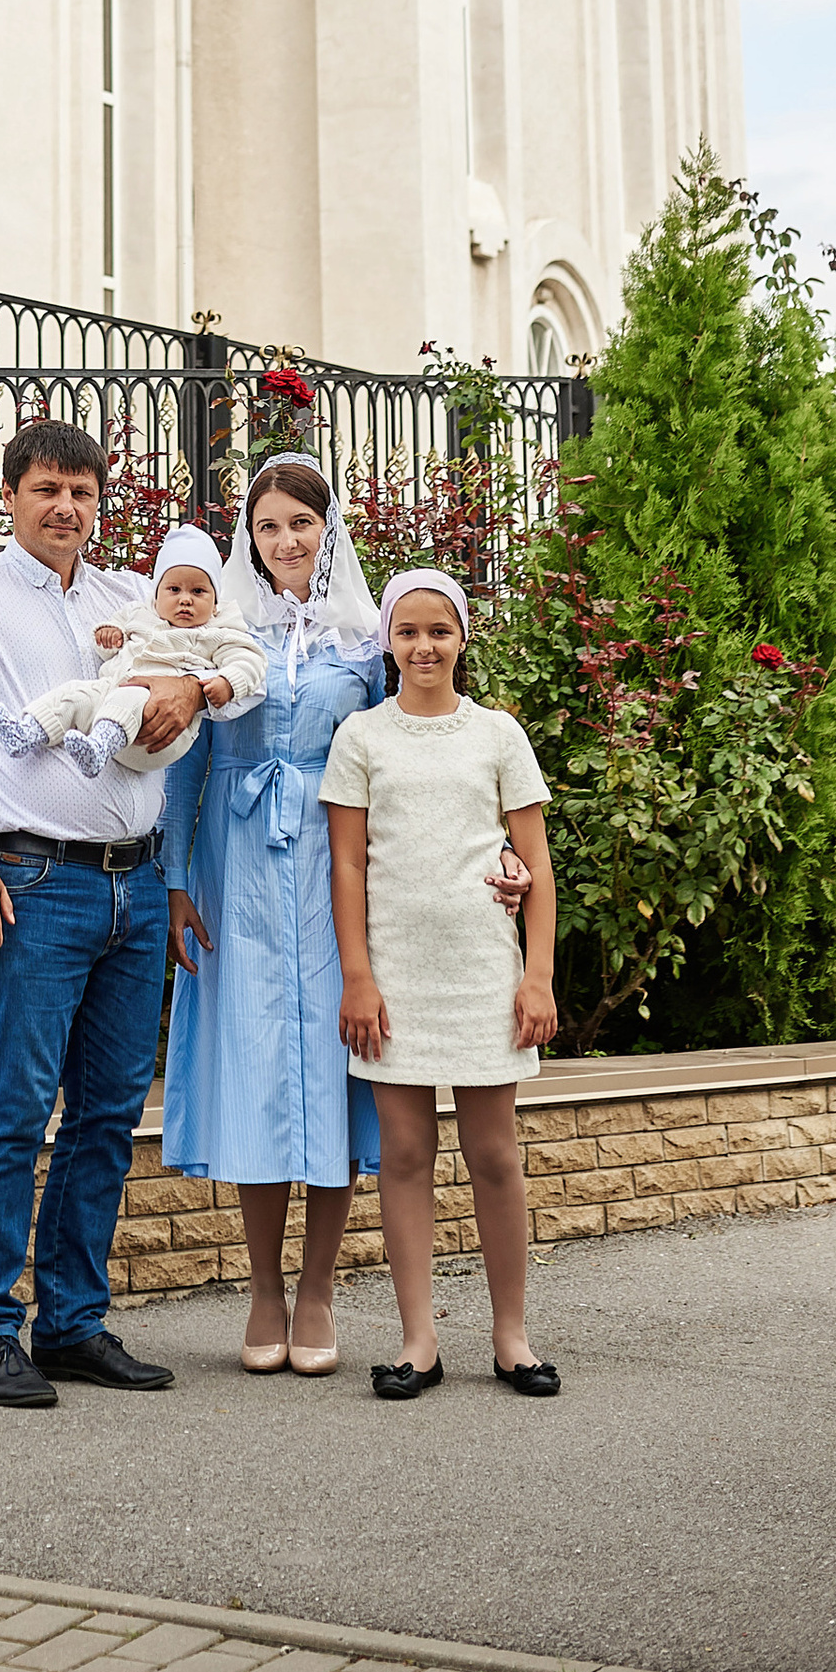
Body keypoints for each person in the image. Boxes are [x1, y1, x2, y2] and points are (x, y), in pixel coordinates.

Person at [161, 460, 513, 1374]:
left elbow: (412, 758)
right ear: (249, 537)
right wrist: (172, 878)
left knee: (328, 1075)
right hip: (233, 866)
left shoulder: (366, 641)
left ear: (328, 532)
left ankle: (317, 1289)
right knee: (252, 1070)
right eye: (268, 526)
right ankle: (264, 1292)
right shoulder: (215, 630)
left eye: (301, 524)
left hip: (333, 868)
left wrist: (490, 854)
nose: (286, 541)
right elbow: (185, 763)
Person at [0, 417, 200, 1411]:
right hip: (30, 885)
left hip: (136, 886)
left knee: (108, 1115)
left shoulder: (129, 598)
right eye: (45, 490)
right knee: (16, 1111)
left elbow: (216, 661)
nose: (65, 507)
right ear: (11, 496)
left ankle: (71, 1324)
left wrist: (189, 687)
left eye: (81, 491)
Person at [321, 565, 561, 1400]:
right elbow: (347, 865)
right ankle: (418, 1339)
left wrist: (538, 977)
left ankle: (512, 1337)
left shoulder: (497, 734)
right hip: (395, 978)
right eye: (408, 631)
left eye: (440, 630)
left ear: (463, 637)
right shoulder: (361, 738)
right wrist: (359, 976)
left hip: (483, 975)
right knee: (407, 1156)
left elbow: (534, 862)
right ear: (387, 640)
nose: (424, 646)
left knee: (495, 1156)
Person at [0, 547, 264, 773]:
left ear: (215, 602)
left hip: (161, 733)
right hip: (114, 698)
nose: (185, 600)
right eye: (174, 590)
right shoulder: (138, 613)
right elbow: (108, 643)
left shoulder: (217, 631)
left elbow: (250, 661)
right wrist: (109, 636)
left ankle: (99, 746)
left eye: (198, 592)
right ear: (156, 595)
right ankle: (28, 731)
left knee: (132, 694)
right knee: (77, 694)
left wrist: (227, 682)